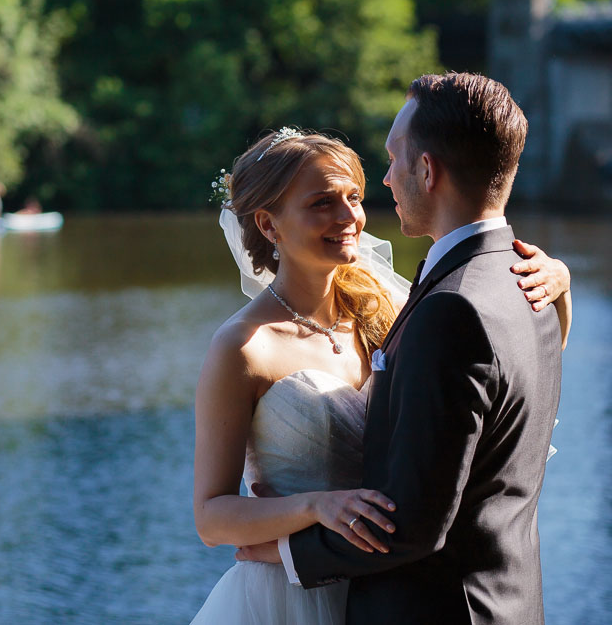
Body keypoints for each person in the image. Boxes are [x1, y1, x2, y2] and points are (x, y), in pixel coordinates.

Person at [192, 74, 570, 624]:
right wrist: (313, 507)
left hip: (386, 584)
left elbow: (503, 386)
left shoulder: (392, 312)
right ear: (268, 225)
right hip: (292, 596)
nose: (349, 219)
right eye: (323, 203)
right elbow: (210, 516)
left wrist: (558, 284)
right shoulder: (241, 347)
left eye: (353, 197)